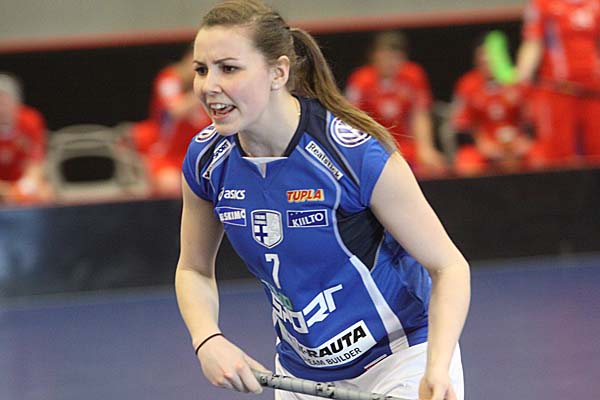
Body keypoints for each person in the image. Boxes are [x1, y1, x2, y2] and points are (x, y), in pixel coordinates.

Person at [175, 1, 470, 400]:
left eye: (228, 68)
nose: (209, 85)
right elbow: (193, 269)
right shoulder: (207, 160)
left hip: (402, 360)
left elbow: (449, 266)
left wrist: (437, 366)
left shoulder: (354, 155)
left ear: (278, 72)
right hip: (301, 376)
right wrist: (207, 338)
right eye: (201, 69)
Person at [344, 31, 447, 176]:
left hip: (405, 145)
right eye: (385, 57)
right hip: (373, 144)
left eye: (395, 57)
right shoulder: (360, 80)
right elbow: (352, 118)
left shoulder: (413, 75)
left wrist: (425, 148)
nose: (390, 63)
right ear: (374, 56)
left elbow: (419, 114)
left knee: (434, 167)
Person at [515, 0, 600, 166]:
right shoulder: (542, 4)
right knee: (559, 156)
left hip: (593, 93)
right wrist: (521, 79)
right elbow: (532, 43)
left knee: (596, 153)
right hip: (559, 92)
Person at [451, 33, 534, 175]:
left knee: (542, 157)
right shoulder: (467, 85)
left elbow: (533, 120)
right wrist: (481, 144)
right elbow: (461, 126)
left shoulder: (518, 82)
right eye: (482, 55)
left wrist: (524, 142)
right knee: (467, 163)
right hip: (484, 146)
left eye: (491, 54)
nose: (487, 59)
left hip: (516, 144)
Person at [132, 47, 211, 196]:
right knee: (170, 184)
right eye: (198, 66)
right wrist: (204, 90)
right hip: (168, 153)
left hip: (200, 154)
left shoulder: (212, 88)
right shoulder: (169, 79)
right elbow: (176, 110)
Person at [0, 72, 52, 205]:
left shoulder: (31, 120)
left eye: (5, 101)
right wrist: (6, 191)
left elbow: (36, 162)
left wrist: (25, 187)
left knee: (45, 192)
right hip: (2, 187)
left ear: (16, 102)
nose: (2, 108)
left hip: (20, 183)